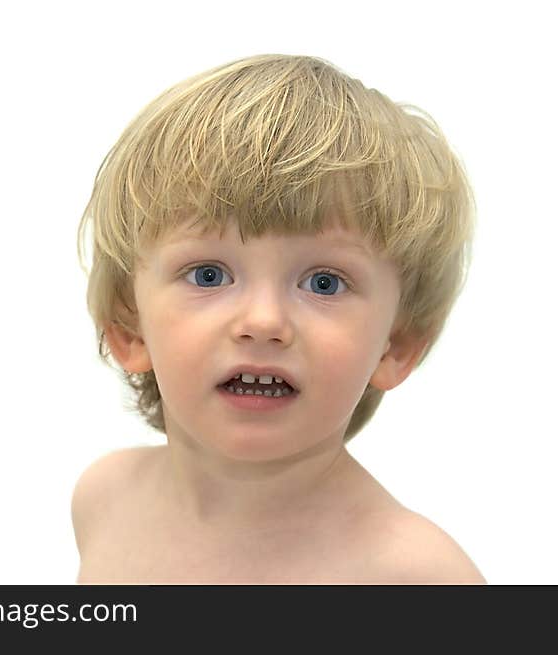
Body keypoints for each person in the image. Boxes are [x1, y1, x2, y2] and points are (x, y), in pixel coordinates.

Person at [72, 54, 485, 584]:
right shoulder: (106, 500)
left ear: (395, 346)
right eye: (208, 275)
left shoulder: (414, 577)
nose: (264, 320)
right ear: (128, 329)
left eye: (324, 283)